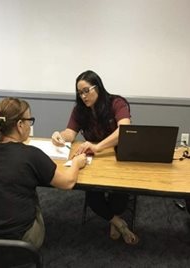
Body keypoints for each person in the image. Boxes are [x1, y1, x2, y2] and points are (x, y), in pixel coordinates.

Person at [0, 97, 87, 249]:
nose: (29, 124)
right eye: (29, 120)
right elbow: (67, 182)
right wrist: (77, 163)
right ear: (20, 125)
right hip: (21, 243)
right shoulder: (31, 155)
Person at [51, 70, 139, 245]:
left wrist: (98, 146)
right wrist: (59, 135)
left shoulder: (117, 103)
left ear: (97, 87)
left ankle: (114, 218)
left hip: (117, 154)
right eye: (79, 93)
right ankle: (117, 222)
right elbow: (70, 133)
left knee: (120, 194)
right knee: (93, 194)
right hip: (94, 158)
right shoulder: (79, 110)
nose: (83, 96)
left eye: (86, 90)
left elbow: (124, 130)